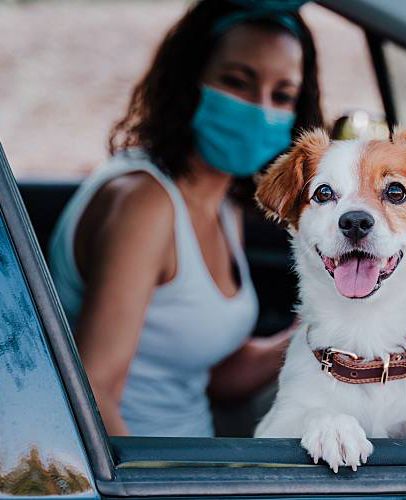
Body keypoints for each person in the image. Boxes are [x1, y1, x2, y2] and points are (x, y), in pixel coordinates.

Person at [48, 0, 323, 437]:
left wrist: (316, 332)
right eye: (237, 82)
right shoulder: (144, 203)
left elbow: (206, 378)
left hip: (193, 452)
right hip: (145, 472)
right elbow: (93, 396)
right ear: (188, 82)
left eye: (282, 95)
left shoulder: (222, 201)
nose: (261, 108)